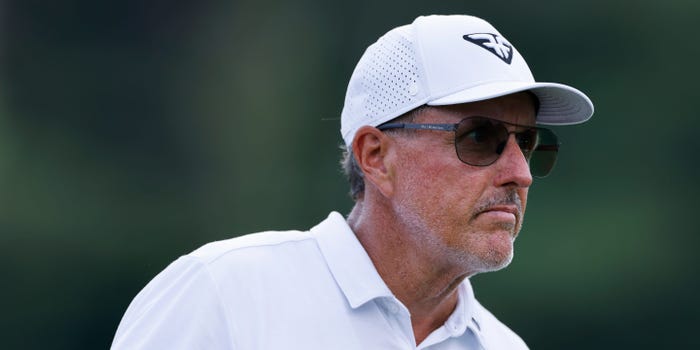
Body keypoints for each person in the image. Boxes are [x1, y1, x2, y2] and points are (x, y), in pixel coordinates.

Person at [112, 14, 593, 349]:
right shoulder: (223, 293)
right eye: (481, 137)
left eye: (528, 142)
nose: (520, 172)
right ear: (376, 157)